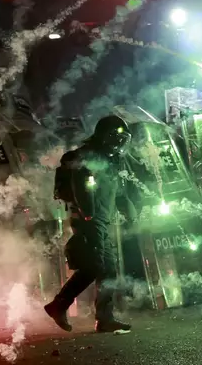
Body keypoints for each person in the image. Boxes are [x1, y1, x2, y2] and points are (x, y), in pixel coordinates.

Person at [45, 115, 138, 333]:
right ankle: (59, 305)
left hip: (102, 220)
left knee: (108, 270)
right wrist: (88, 213)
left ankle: (104, 318)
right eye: (117, 137)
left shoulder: (112, 159)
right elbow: (81, 184)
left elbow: (118, 190)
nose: (121, 142)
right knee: (95, 266)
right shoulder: (88, 156)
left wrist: (128, 210)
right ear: (106, 136)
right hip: (89, 220)